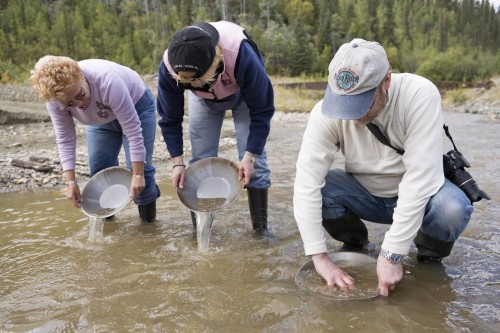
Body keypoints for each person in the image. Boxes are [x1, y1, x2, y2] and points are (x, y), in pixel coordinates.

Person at [293, 38, 473, 296]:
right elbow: (306, 182)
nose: (351, 115)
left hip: (422, 196)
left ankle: (427, 261)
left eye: (360, 103)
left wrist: (392, 254)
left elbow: (421, 179)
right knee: (321, 190)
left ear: (386, 81)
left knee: (452, 208)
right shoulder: (323, 112)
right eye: (344, 103)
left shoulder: (420, 94)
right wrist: (319, 256)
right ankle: (357, 244)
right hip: (364, 194)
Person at [157, 21, 274, 232]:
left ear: (215, 63)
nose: (192, 86)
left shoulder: (241, 53)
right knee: (200, 161)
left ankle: (261, 233)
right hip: (204, 101)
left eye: (198, 82)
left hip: (244, 94)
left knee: (255, 167)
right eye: (186, 84)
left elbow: (262, 111)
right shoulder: (169, 66)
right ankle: (203, 234)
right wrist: (177, 162)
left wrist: (249, 156)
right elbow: (169, 118)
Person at [30, 56, 161, 222]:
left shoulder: (108, 81)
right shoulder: (55, 100)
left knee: (140, 170)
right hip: (100, 120)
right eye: (70, 103)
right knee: (99, 172)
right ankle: (107, 225)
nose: (79, 105)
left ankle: (148, 228)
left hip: (137, 106)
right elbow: (65, 138)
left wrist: (137, 174)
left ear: (81, 75)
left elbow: (133, 131)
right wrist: (70, 182)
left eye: (80, 95)